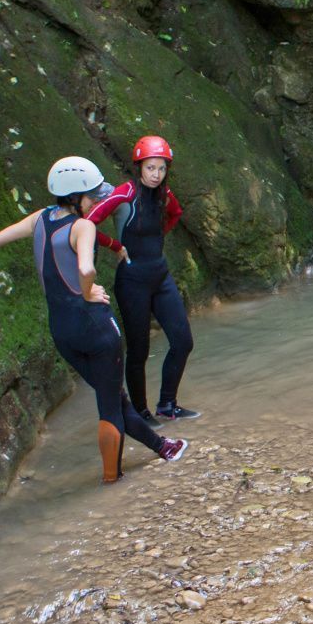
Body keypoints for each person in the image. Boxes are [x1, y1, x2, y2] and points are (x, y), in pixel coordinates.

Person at [0, 157, 187, 484]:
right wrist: (88, 292)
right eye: (92, 196)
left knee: (113, 395)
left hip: (62, 331)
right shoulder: (83, 227)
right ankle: (113, 479)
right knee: (111, 403)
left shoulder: (40, 219)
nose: (98, 201)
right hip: (96, 328)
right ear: (75, 197)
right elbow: (86, 269)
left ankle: (163, 447)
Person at [89, 136, 198, 422]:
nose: (156, 174)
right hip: (132, 280)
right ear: (139, 167)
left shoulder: (165, 195)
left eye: (161, 169)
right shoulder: (125, 193)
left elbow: (176, 214)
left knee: (183, 341)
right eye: (151, 168)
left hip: (160, 276)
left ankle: (168, 405)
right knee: (139, 350)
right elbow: (86, 224)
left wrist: (158, 235)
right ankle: (139, 412)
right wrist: (114, 244)